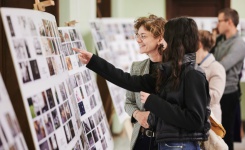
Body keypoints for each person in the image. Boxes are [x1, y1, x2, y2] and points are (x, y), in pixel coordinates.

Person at [73, 17, 210, 150]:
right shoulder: (171, 70)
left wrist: (154, 102)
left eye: (166, 37)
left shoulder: (192, 74)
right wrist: (93, 61)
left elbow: (195, 120)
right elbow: (128, 81)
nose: (163, 41)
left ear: (175, 40)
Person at [125, 14, 166, 150]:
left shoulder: (175, 70)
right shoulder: (137, 67)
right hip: (141, 139)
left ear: (160, 38)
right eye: (137, 35)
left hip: (166, 142)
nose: (138, 40)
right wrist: (138, 114)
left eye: (143, 36)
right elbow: (128, 102)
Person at [212, 8, 245, 150]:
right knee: (216, 133)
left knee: (226, 134)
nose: (217, 24)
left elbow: (220, 66)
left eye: (220, 21)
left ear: (229, 22)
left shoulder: (238, 44)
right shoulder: (220, 41)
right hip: (216, 92)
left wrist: (210, 64)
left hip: (228, 93)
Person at [196, 30, 226, 123]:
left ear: (199, 44)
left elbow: (215, 96)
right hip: (197, 116)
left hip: (211, 118)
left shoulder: (216, 67)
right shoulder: (194, 65)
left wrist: (192, 91)